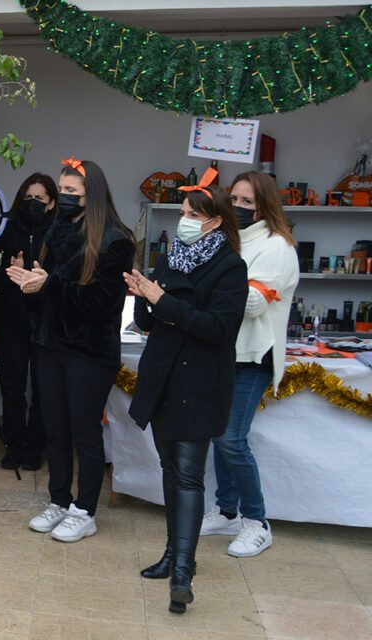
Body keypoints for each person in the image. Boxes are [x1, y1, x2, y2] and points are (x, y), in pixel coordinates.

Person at [125, 172, 247, 614]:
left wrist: (164, 300)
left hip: (199, 384)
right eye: (183, 214)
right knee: (170, 470)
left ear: (214, 222)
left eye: (192, 215)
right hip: (164, 378)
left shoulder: (231, 267)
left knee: (189, 473)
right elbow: (149, 320)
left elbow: (217, 328)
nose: (184, 221)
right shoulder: (172, 257)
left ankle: (183, 571)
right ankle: (171, 553)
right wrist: (142, 295)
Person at [8, 157, 134, 543]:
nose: (62, 198)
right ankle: (59, 501)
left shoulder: (115, 240)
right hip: (49, 344)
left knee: (84, 433)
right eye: (61, 191)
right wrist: (28, 285)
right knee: (55, 428)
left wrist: (47, 286)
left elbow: (99, 303)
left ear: (91, 196)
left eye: (70, 192)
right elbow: (47, 297)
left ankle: (85, 510)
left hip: (88, 351)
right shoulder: (56, 232)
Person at [200, 171, 299, 558]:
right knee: (218, 435)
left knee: (231, 439)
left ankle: (257, 522)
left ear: (264, 206)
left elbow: (254, 303)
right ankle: (227, 511)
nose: (239, 207)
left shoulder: (277, 247)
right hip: (222, 352)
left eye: (247, 202)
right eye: (235, 199)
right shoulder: (228, 240)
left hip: (253, 357)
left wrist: (209, 287)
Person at [0, 172, 57, 469]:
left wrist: (41, 277)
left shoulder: (60, 233)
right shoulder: (3, 230)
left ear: (51, 203)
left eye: (39, 198)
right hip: (11, 319)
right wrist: (11, 272)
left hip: (46, 320)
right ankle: (13, 445)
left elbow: (64, 277)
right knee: (12, 386)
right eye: (28, 197)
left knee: (42, 387)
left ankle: (35, 446)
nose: (33, 203)